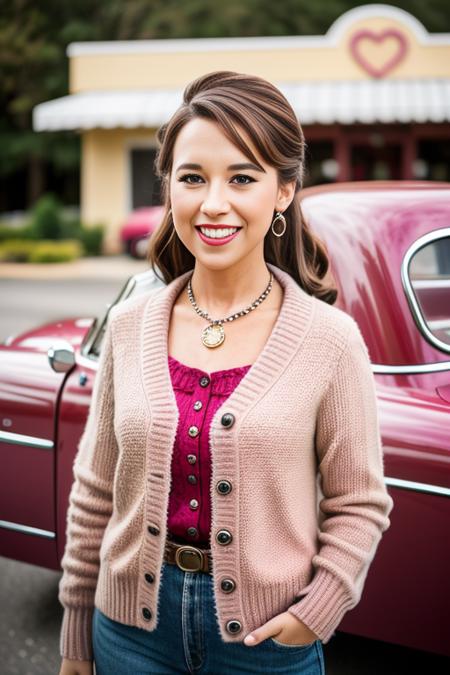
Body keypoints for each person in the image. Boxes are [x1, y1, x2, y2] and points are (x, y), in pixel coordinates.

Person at [58, 70, 394, 675]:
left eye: (242, 177)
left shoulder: (330, 340)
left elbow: (359, 502)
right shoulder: (131, 326)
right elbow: (94, 494)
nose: (214, 203)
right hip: (128, 635)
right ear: (170, 190)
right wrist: (76, 638)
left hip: (266, 644)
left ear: (284, 190)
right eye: (192, 178)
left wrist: (315, 613)